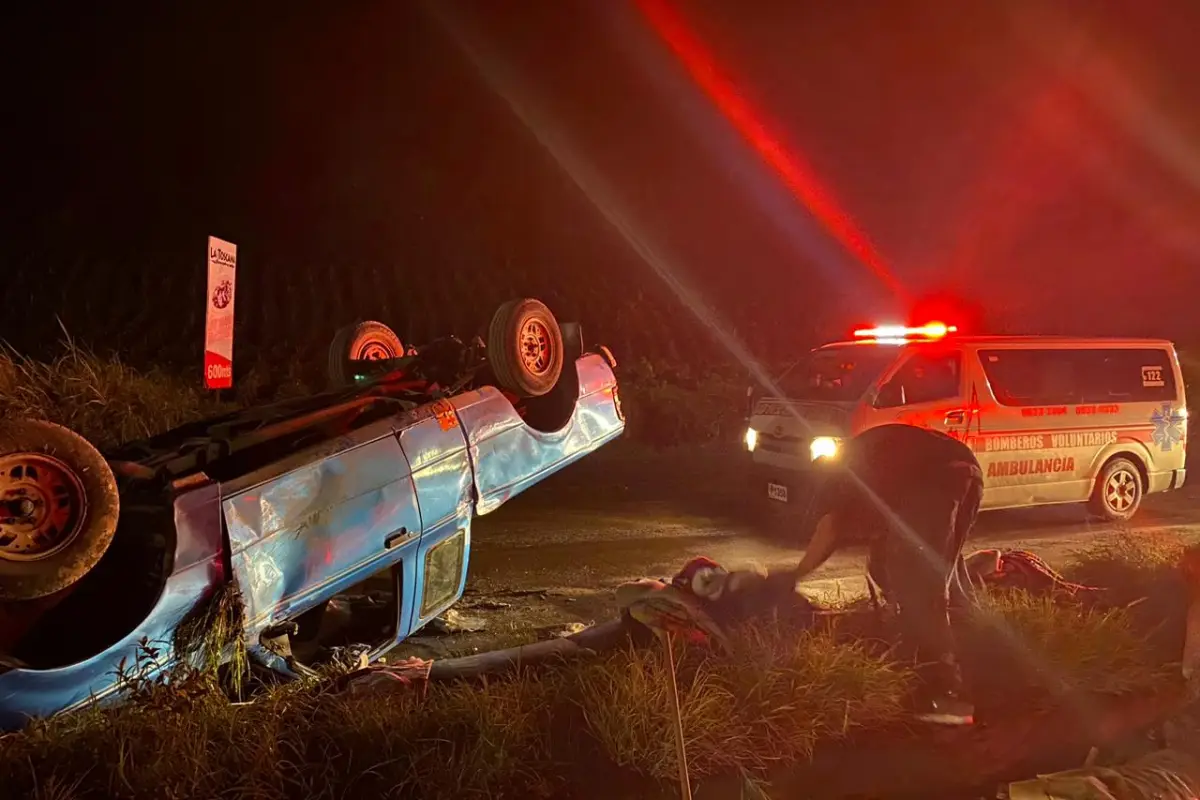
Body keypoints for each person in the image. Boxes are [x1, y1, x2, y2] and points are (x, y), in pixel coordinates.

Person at [788, 423, 983, 725]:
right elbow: (875, 534)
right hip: (964, 467)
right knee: (937, 571)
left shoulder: (836, 482)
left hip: (935, 479)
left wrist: (791, 577)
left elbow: (829, 532)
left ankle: (945, 692)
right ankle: (981, 651)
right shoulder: (867, 472)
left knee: (920, 584)